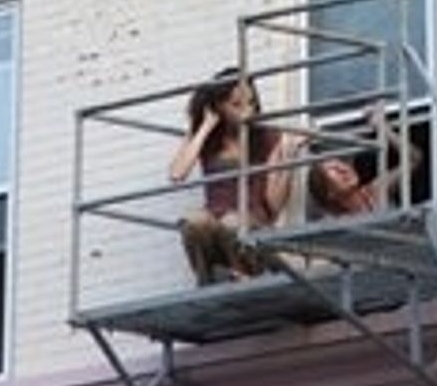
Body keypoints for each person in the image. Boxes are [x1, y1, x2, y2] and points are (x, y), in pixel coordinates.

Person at [168, 67, 295, 283]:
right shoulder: (208, 139)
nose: (246, 111)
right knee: (193, 221)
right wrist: (206, 126)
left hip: (251, 221)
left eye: (251, 103)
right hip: (215, 219)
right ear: (219, 106)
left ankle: (244, 274)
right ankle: (207, 279)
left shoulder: (268, 137)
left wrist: (289, 159)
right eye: (236, 105)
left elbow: (273, 206)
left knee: (232, 223)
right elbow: (177, 173)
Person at [307, 103, 421, 217]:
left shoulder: (374, 191)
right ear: (329, 194)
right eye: (334, 170)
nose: (344, 169)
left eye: (341, 164)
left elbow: (414, 158)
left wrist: (383, 128)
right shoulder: (336, 223)